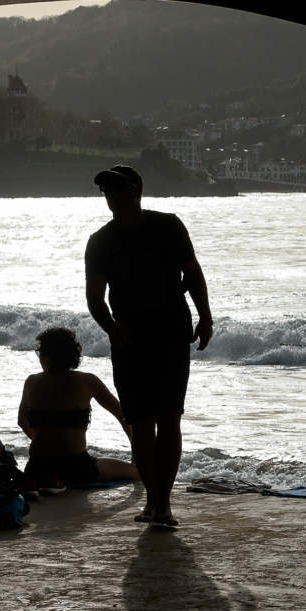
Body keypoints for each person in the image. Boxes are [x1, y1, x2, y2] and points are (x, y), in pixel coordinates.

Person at [86, 165, 213, 527]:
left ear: (137, 190)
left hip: (172, 331)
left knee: (170, 418)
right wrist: (111, 329)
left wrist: (205, 318)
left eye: (119, 189)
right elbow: (95, 297)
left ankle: (163, 504)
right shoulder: (100, 241)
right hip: (130, 338)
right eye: (107, 190)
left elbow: (193, 272)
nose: (112, 196)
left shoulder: (168, 226)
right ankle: (153, 501)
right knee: (141, 422)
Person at [17, 327, 139, 494]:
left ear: (46, 357)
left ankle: (52, 479)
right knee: (138, 472)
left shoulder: (31, 382)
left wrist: (49, 442)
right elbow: (123, 415)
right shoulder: (87, 381)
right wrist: (136, 451)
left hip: (37, 468)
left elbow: (22, 421)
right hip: (77, 467)